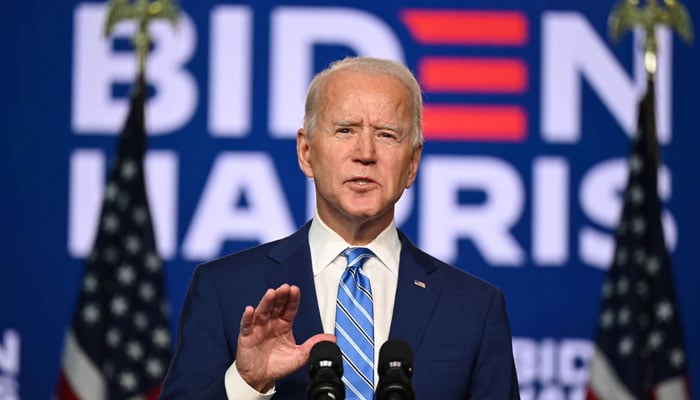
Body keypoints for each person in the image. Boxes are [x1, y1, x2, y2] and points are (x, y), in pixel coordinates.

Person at [159, 56, 520, 399]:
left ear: (412, 163)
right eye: (345, 130)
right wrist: (247, 382)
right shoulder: (226, 290)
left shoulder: (475, 309)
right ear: (306, 152)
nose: (365, 152)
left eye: (387, 135)